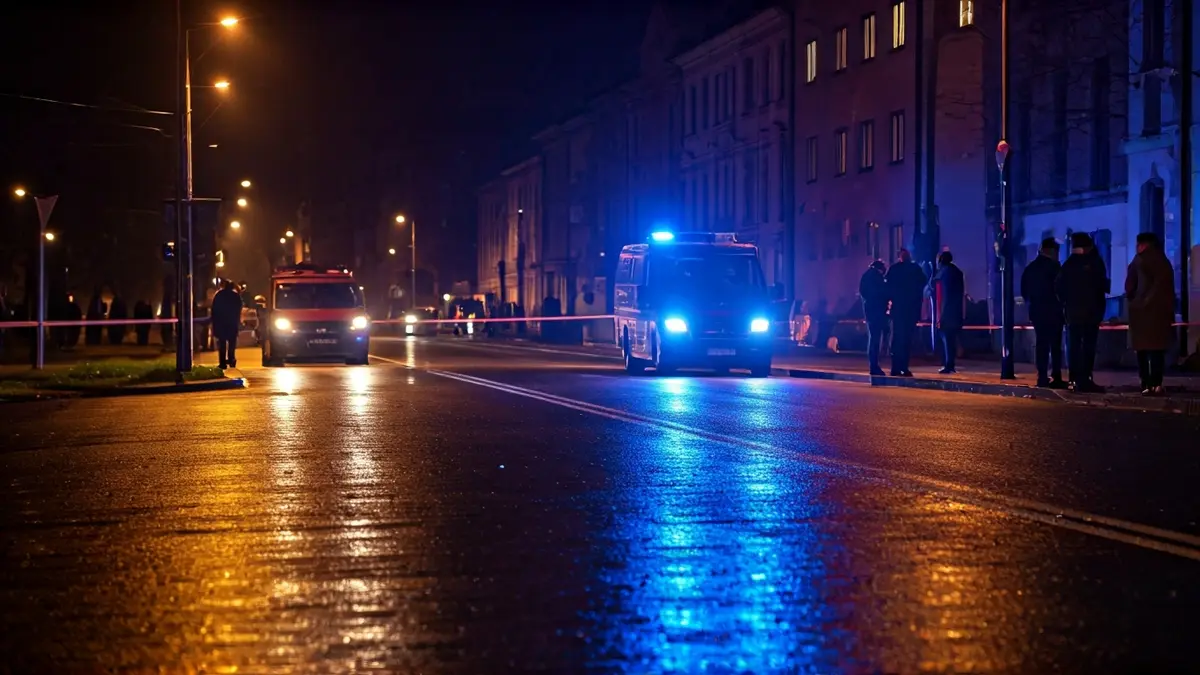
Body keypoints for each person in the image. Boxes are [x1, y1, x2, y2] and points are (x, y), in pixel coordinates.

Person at [1056, 232, 1109, 393]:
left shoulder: (1068, 265)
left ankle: (1074, 378)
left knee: (1074, 346)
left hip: (1073, 313)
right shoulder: (1095, 262)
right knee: (1087, 347)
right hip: (1091, 312)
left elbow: (1059, 288)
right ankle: (1085, 378)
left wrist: (1066, 304)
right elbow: (1102, 286)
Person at [1125, 232, 1175, 395]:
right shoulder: (1164, 262)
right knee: (1157, 350)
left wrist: (1136, 302)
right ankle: (1156, 383)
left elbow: (1129, 286)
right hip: (1160, 314)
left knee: (1142, 350)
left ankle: (1145, 383)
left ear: (1143, 244)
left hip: (1140, 313)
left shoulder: (1138, 261)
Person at [1020, 237, 1067, 388]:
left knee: (1041, 343)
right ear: (1052, 251)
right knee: (1055, 344)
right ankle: (1056, 375)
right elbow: (1061, 289)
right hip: (1054, 311)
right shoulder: (1055, 267)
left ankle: (1042, 376)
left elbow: (1024, 291)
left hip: (1037, 311)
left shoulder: (1030, 268)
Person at [885, 248, 926, 376]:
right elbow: (923, 282)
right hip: (911, 310)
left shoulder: (894, 270)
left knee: (897, 339)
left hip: (898, 310)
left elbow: (888, 287)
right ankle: (903, 367)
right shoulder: (915, 269)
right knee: (907, 340)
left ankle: (895, 367)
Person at [932, 250, 965, 374]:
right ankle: (950, 363)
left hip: (946, 311)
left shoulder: (943, 274)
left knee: (946, 338)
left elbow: (942, 296)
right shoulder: (957, 272)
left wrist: (940, 316)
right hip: (956, 311)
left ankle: (948, 364)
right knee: (951, 338)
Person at [859, 260, 889, 376]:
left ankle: (873, 364)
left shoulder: (866, 276)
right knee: (875, 339)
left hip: (870, 311)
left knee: (873, 338)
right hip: (876, 311)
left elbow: (864, 293)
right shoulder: (876, 277)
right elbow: (882, 292)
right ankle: (874, 366)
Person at [210, 280, 242, 369]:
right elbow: (238, 309)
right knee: (232, 343)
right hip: (232, 322)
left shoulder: (219, 295)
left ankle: (222, 362)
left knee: (222, 343)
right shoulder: (235, 296)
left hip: (221, 323)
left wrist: (214, 322)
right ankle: (231, 359)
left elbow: (214, 309)